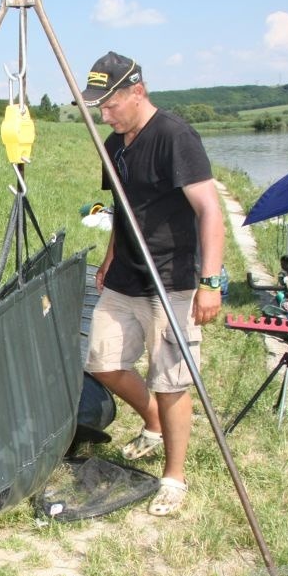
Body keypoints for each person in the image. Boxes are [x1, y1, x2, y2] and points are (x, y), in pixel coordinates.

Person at [80, 52, 225, 516]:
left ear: (136, 92)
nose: (104, 114)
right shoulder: (115, 143)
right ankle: (154, 423)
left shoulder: (175, 136)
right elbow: (123, 208)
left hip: (173, 279)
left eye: (110, 104)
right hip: (126, 276)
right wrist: (109, 257)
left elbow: (209, 209)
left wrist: (211, 281)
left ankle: (174, 477)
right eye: (98, 106)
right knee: (101, 360)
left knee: (171, 379)